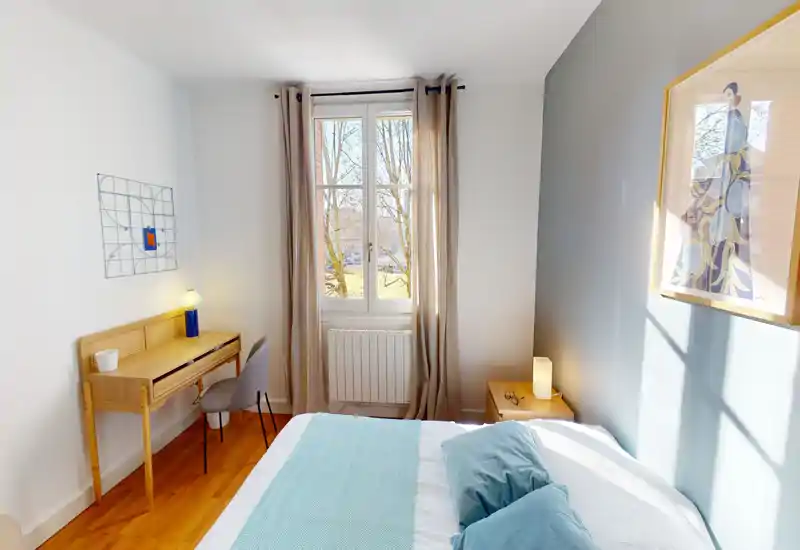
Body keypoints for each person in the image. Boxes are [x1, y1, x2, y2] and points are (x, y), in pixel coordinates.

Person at [671, 82, 753, 299]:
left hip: (726, 201)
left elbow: (740, 167)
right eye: (723, 95)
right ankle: (698, 281)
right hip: (712, 199)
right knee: (700, 245)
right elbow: (704, 167)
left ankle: (716, 286)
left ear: (736, 98)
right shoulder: (714, 128)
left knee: (724, 247)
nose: (726, 100)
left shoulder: (738, 125)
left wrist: (722, 190)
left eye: (729, 95)